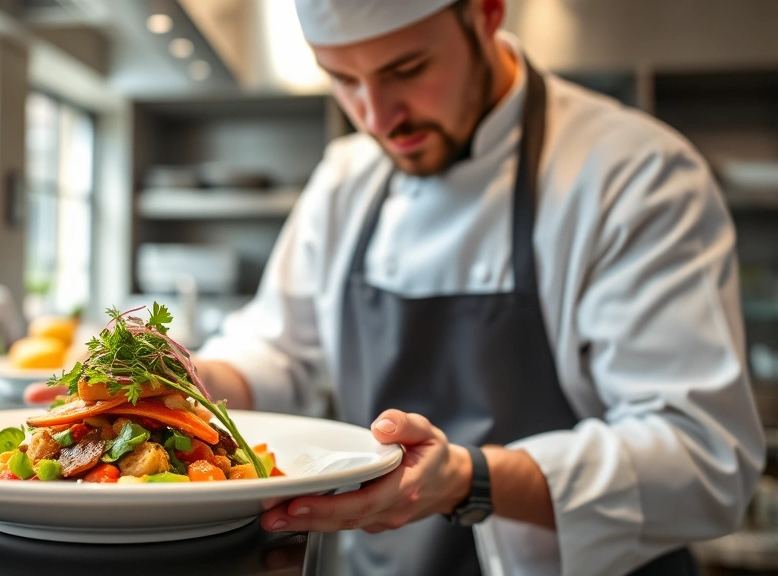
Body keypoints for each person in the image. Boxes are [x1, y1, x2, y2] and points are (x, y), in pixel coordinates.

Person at [193, 0, 765, 574]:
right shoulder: (347, 179)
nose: (376, 118)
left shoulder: (633, 175)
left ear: (488, 13)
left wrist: (468, 480)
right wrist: (192, 381)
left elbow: (703, 461)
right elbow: (278, 349)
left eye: (407, 69)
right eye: (343, 79)